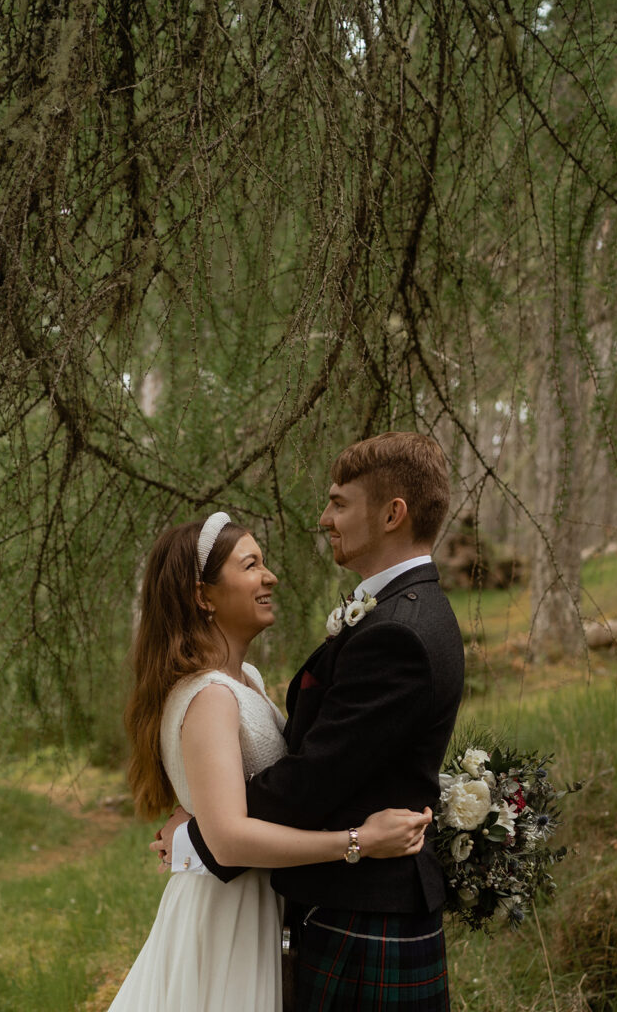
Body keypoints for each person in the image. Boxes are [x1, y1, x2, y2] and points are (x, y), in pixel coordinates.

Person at [158, 432, 465, 1011]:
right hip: (348, 907)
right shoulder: (399, 612)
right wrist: (202, 796)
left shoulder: (397, 631)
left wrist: (202, 833)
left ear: (393, 513)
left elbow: (313, 778)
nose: (325, 518)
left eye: (339, 502)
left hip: (365, 915)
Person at [109, 512, 431, 1012]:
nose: (270, 576)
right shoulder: (209, 696)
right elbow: (230, 840)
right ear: (203, 595)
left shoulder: (247, 681)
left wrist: (196, 823)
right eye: (251, 565)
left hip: (258, 903)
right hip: (224, 914)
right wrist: (359, 843)